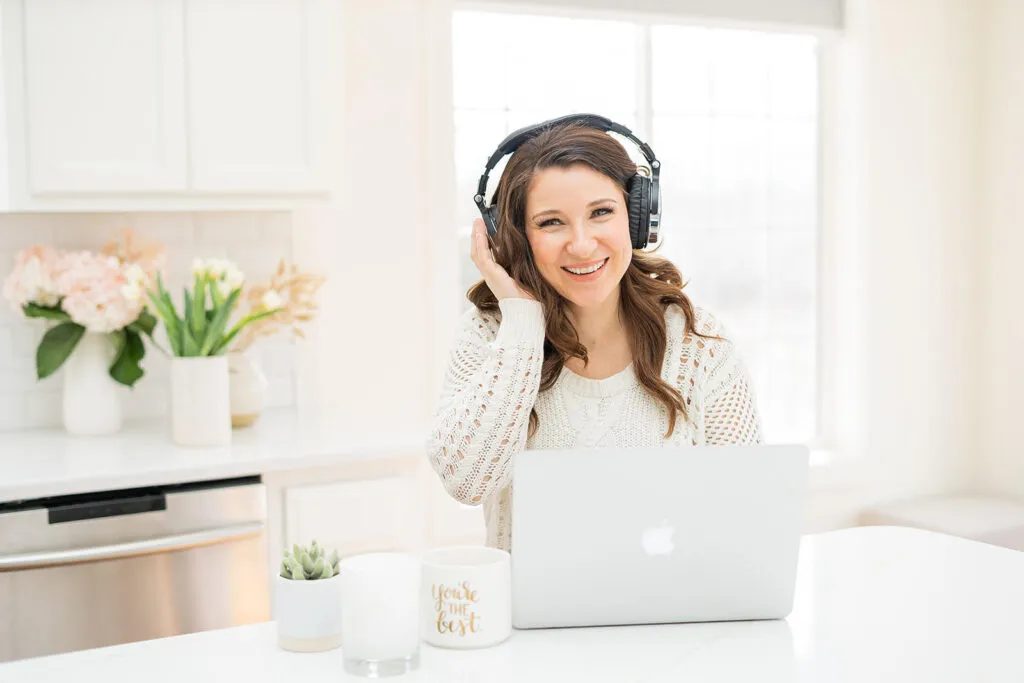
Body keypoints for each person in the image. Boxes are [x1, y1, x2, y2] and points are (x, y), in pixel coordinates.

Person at [426, 117, 763, 552]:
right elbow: (466, 481)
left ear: (637, 217)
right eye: (551, 223)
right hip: (529, 618)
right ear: (517, 236)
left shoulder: (698, 342)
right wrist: (523, 322)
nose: (582, 245)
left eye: (601, 212)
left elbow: (749, 510)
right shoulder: (491, 334)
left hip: (670, 615)